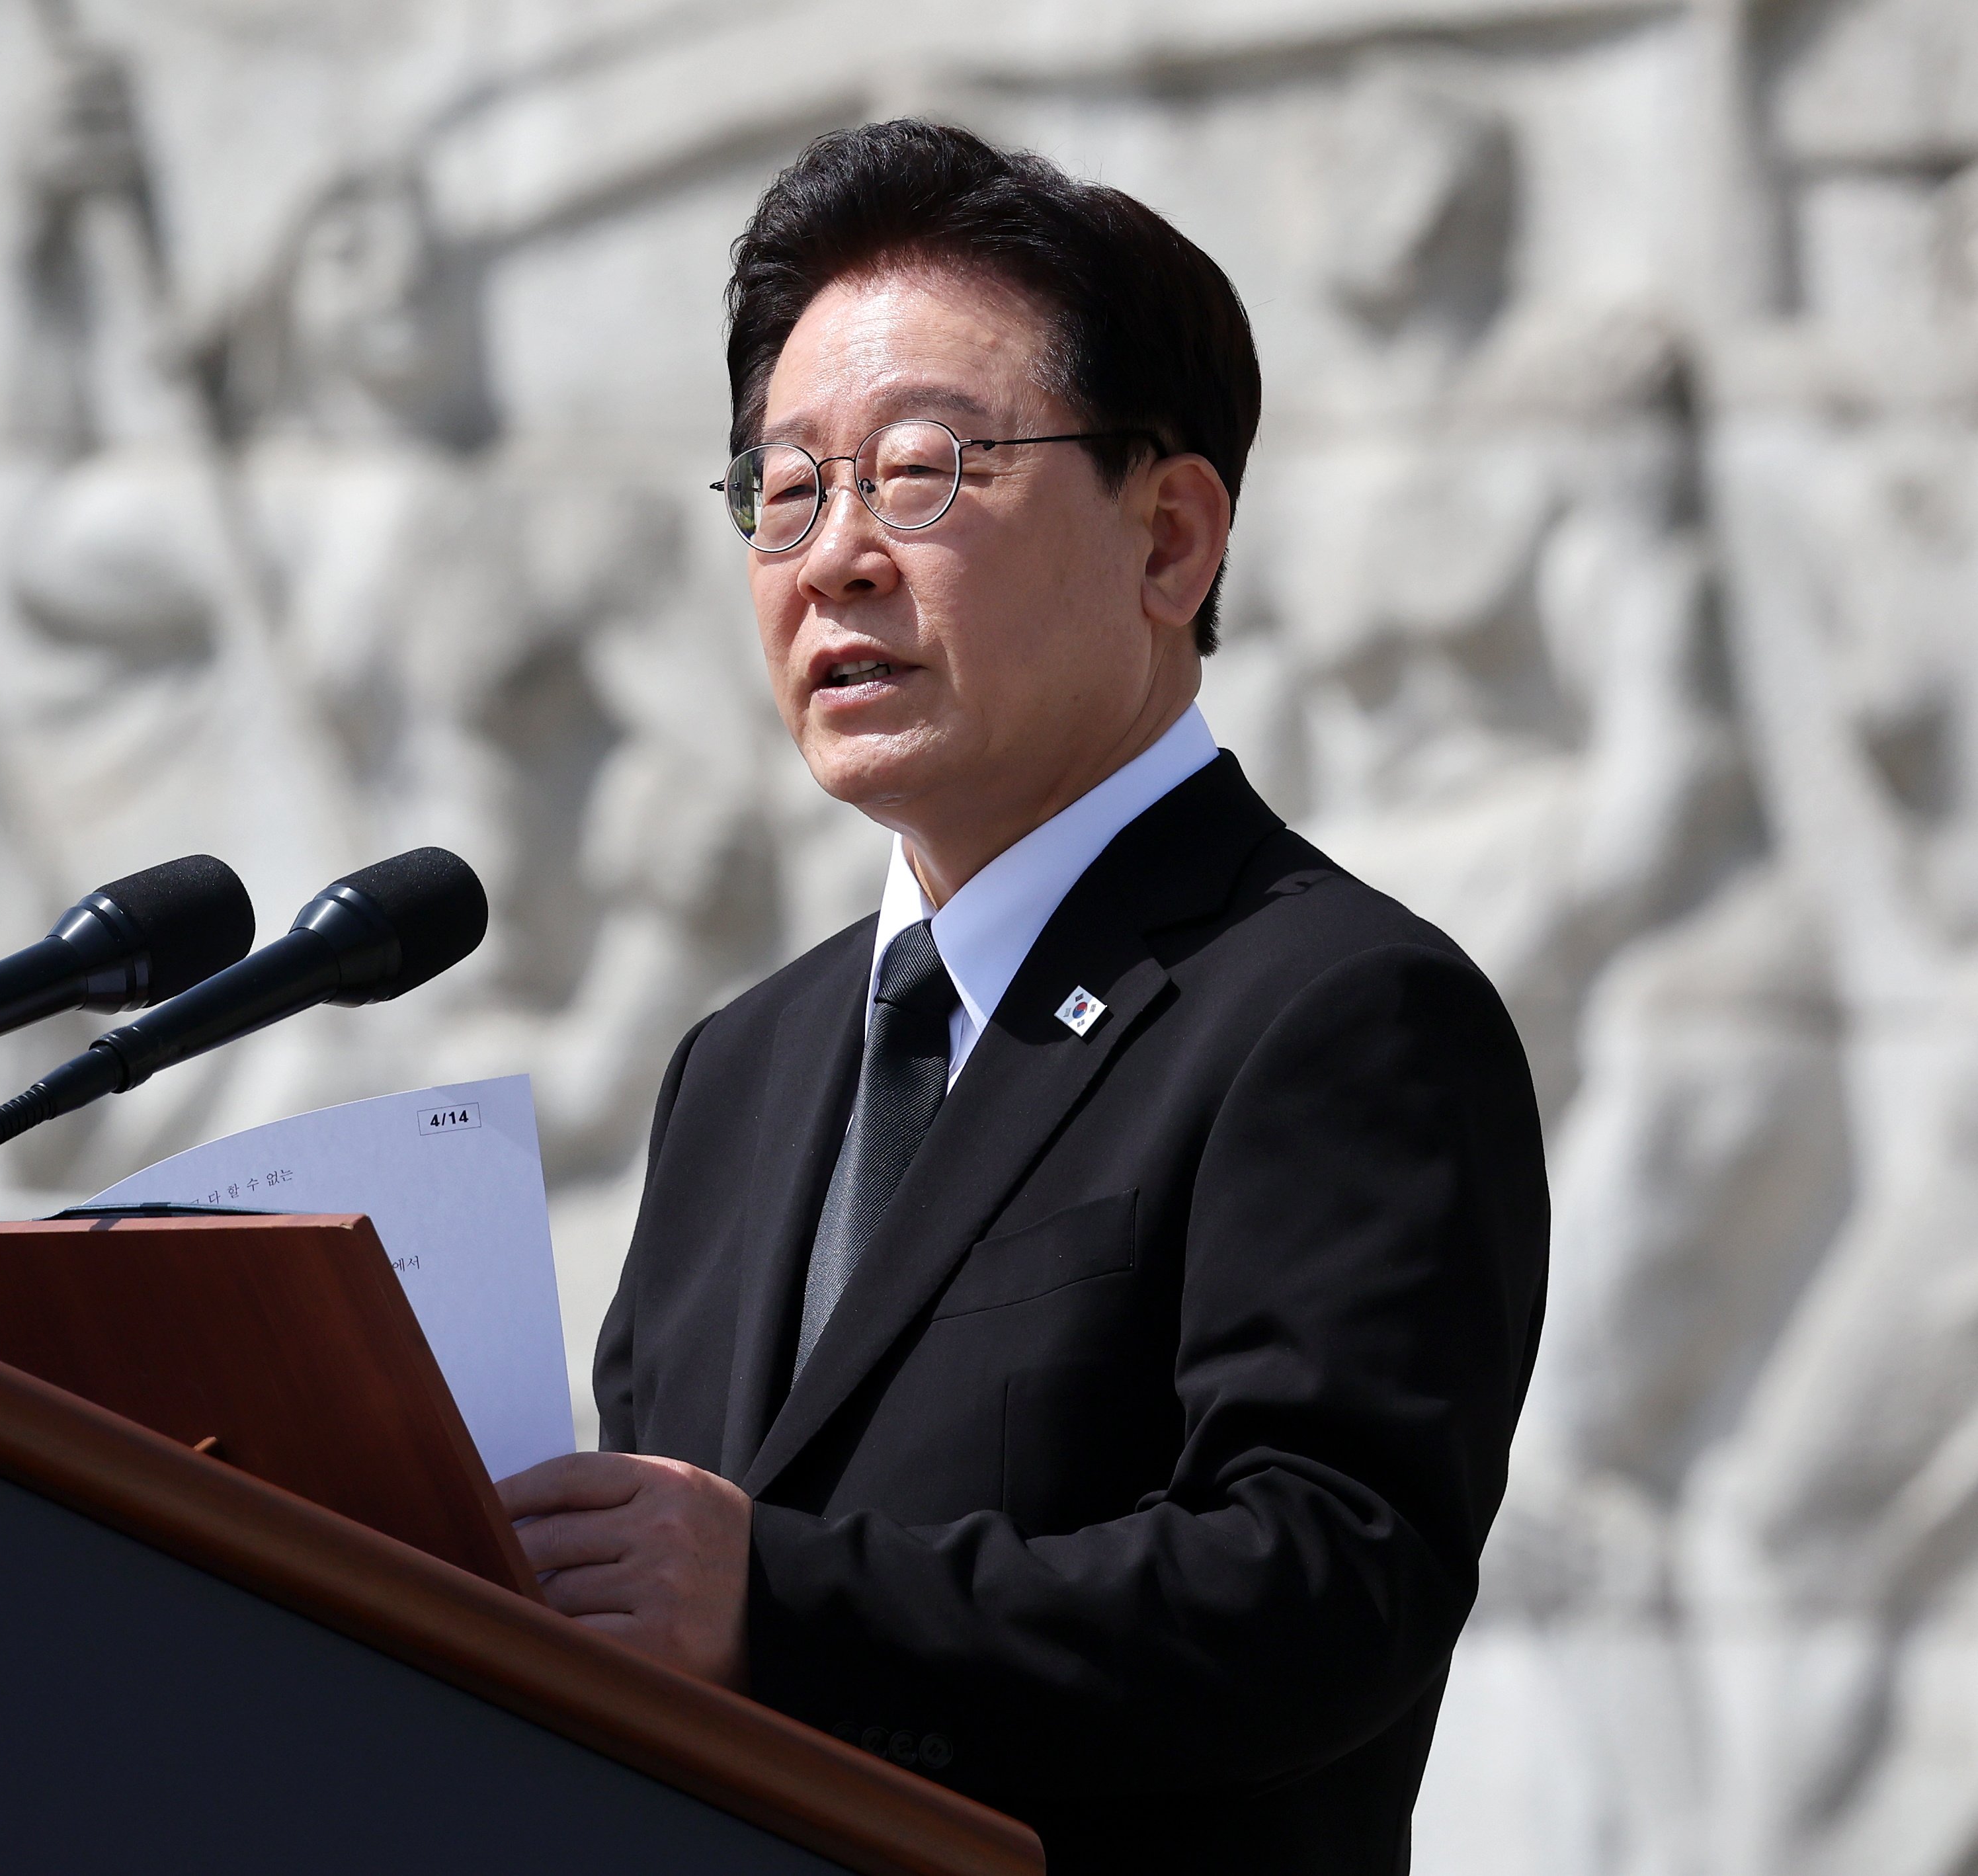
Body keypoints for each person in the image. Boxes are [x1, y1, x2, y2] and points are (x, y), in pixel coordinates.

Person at [495, 120, 1551, 1873]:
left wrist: (785, 1602)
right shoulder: (739, 1069)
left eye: (922, 474)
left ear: (1170, 540)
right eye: (785, 487)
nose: (833, 556)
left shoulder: (1331, 1009)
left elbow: (1325, 1588)